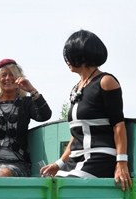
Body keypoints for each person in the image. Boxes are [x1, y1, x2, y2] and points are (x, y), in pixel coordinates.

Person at [40, 30, 130, 190]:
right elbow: (77, 135)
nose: (66, 60)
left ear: (81, 55)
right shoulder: (75, 89)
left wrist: (121, 162)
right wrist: (59, 163)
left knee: (65, 189)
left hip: (99, 157)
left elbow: (118, 125)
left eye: (69, 54)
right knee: (49, 187)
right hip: (75, 158)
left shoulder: (106, 81)